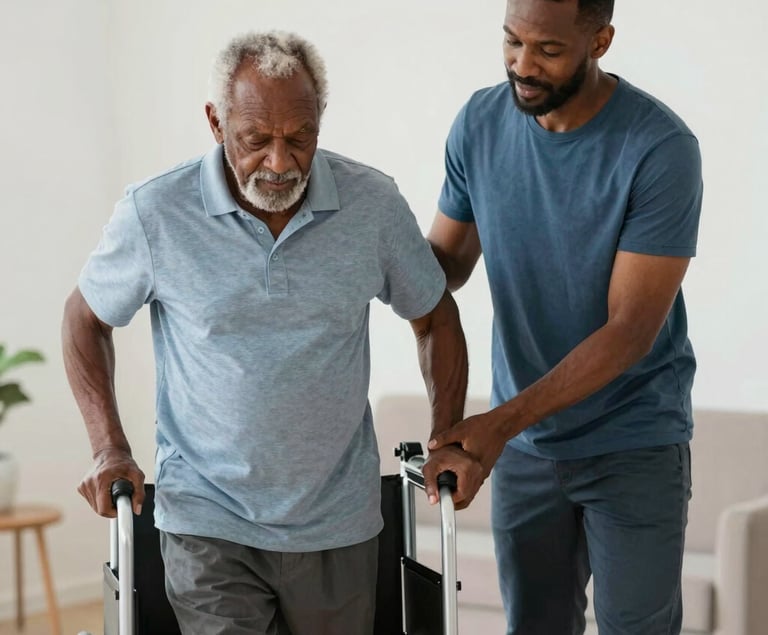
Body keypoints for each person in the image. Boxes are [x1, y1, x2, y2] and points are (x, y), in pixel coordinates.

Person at [62, 31, 480, 635]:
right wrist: (108, 446)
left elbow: (435, 315)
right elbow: (85, 317)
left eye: (299, 138)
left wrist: (446, 434)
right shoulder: (156, 212)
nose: (280, 163)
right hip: (209, 519)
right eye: (255, 140)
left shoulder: (372, 204)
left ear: (320, 121)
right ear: (215, 122)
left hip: (337, 522)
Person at [421, 0, 703, 633]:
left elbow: (630, 330)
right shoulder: (479, 123)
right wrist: (363, 249)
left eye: (547, 50)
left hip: (633, 441)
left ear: (599, 41)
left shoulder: (659, 147)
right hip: (525, 451)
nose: (523, 65)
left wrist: (500, 422)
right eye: (511, 42)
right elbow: (446, 266)